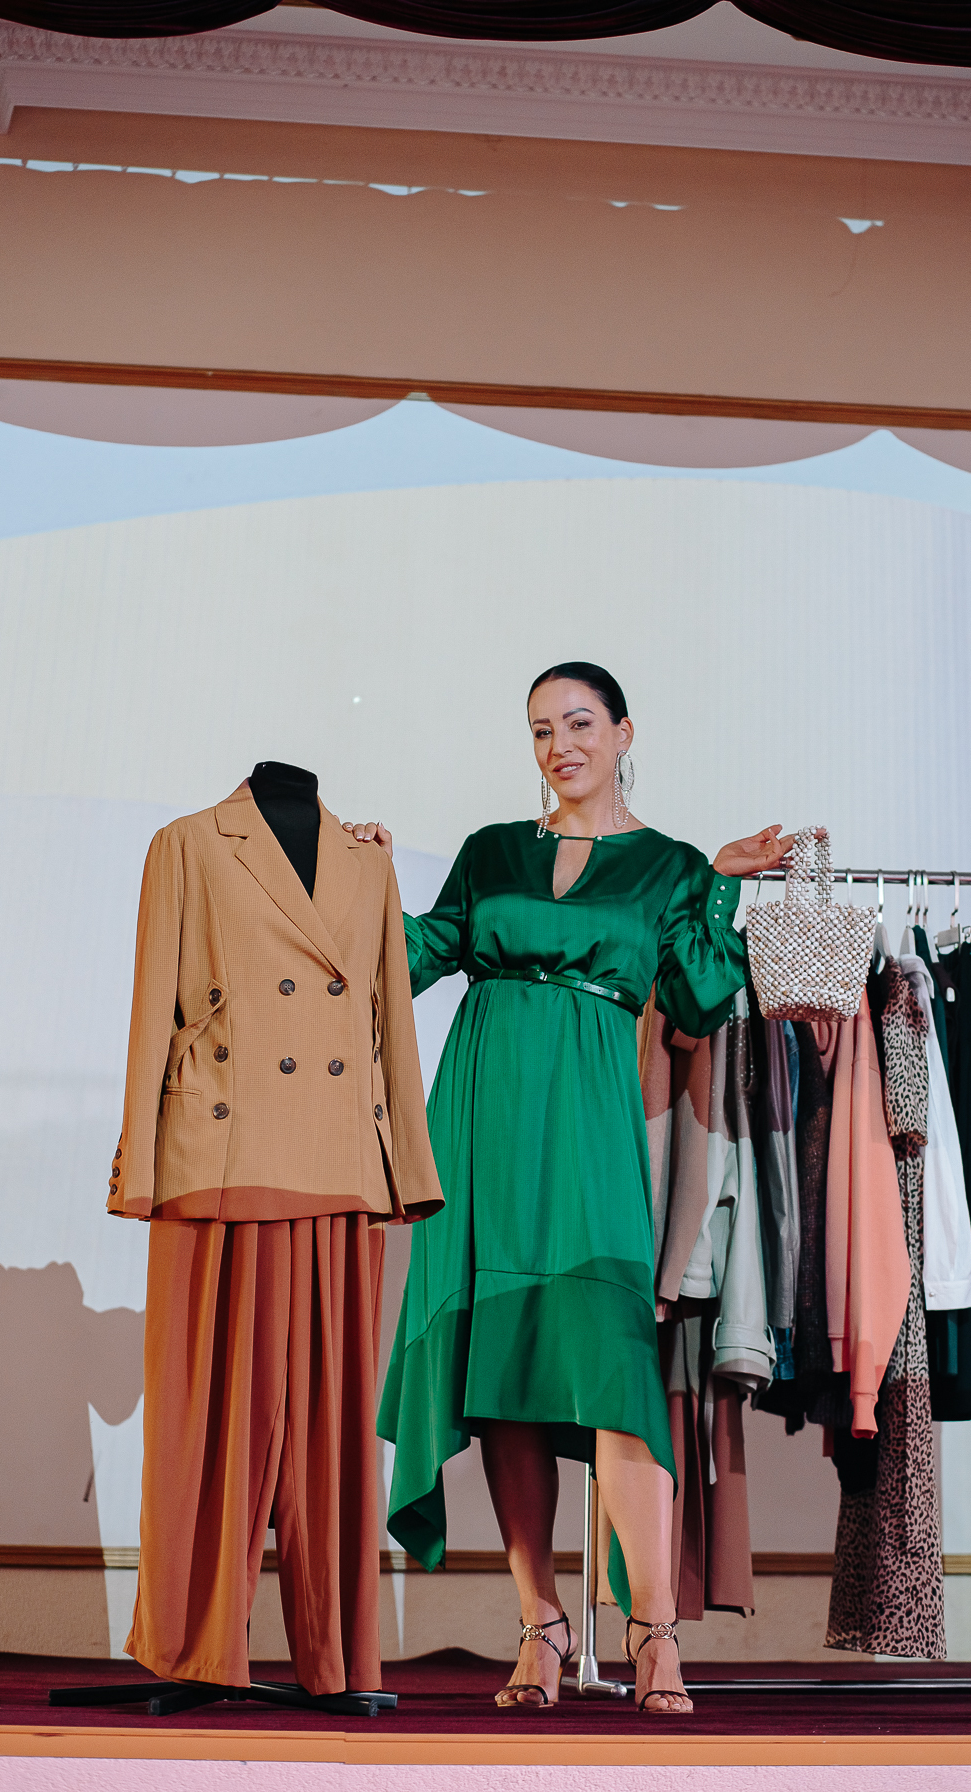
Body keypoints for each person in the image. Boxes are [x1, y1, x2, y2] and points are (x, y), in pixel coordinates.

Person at [345, 662, 796, 1714]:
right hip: (481, 1117)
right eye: (542, 729)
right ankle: (539, 1624)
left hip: (590, 1126)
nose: (561, 746)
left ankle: (654, 1634)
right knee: (502, 1376)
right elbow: (414, 959)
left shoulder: (670, 865)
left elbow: (702, 995)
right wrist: (366, 882)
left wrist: (719, 882)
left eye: (580, 723)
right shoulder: (491, 850)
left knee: (613, 1378)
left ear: (623, 732)